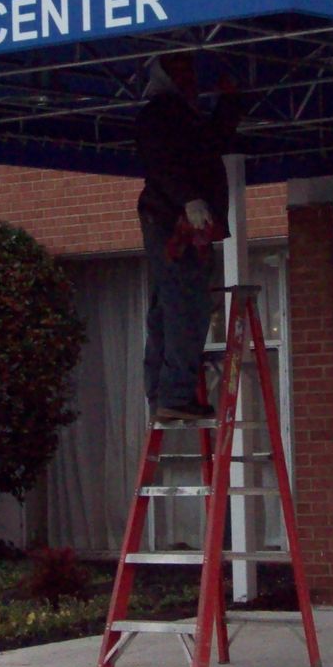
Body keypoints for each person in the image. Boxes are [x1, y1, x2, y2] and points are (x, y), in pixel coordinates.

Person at [135, 52, 243, 422]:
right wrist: (189, 199)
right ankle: (173, 394)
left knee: (173, 305)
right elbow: (163, 162)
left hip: (177, 221)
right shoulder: (160, 115)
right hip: (172, 222)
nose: (193, 83)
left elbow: (211, 141)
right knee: (184, 304)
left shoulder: (180, 117)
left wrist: (230, 102)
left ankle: (166, 394)